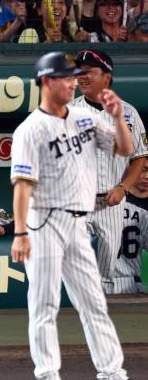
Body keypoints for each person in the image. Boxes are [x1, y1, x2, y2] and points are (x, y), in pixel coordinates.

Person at [10, 51, 133, 380]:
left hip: (78, 223)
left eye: (74, 76)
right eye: (66, 77)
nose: (73, 81)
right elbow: (22, 186)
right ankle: (47, 374)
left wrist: (118, 117)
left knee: (94, 303)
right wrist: (21, 233)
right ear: (47, 82)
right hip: (45, 222)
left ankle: (112, 373)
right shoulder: (30, 130)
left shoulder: (84, 118)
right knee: (44, 305)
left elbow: (123, 149)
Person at [68, 50, 148, 294]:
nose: (81, 76)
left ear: (106, 76)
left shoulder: (128, 113)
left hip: (111, 203)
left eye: (88, 71)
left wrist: (123, 189)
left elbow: (139, 157)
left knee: (106, 272)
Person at [108, 165, 148, 294]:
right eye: (143, 169)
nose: (146, 176)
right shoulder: (142, 213)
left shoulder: (104, 201)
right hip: (130, 284)